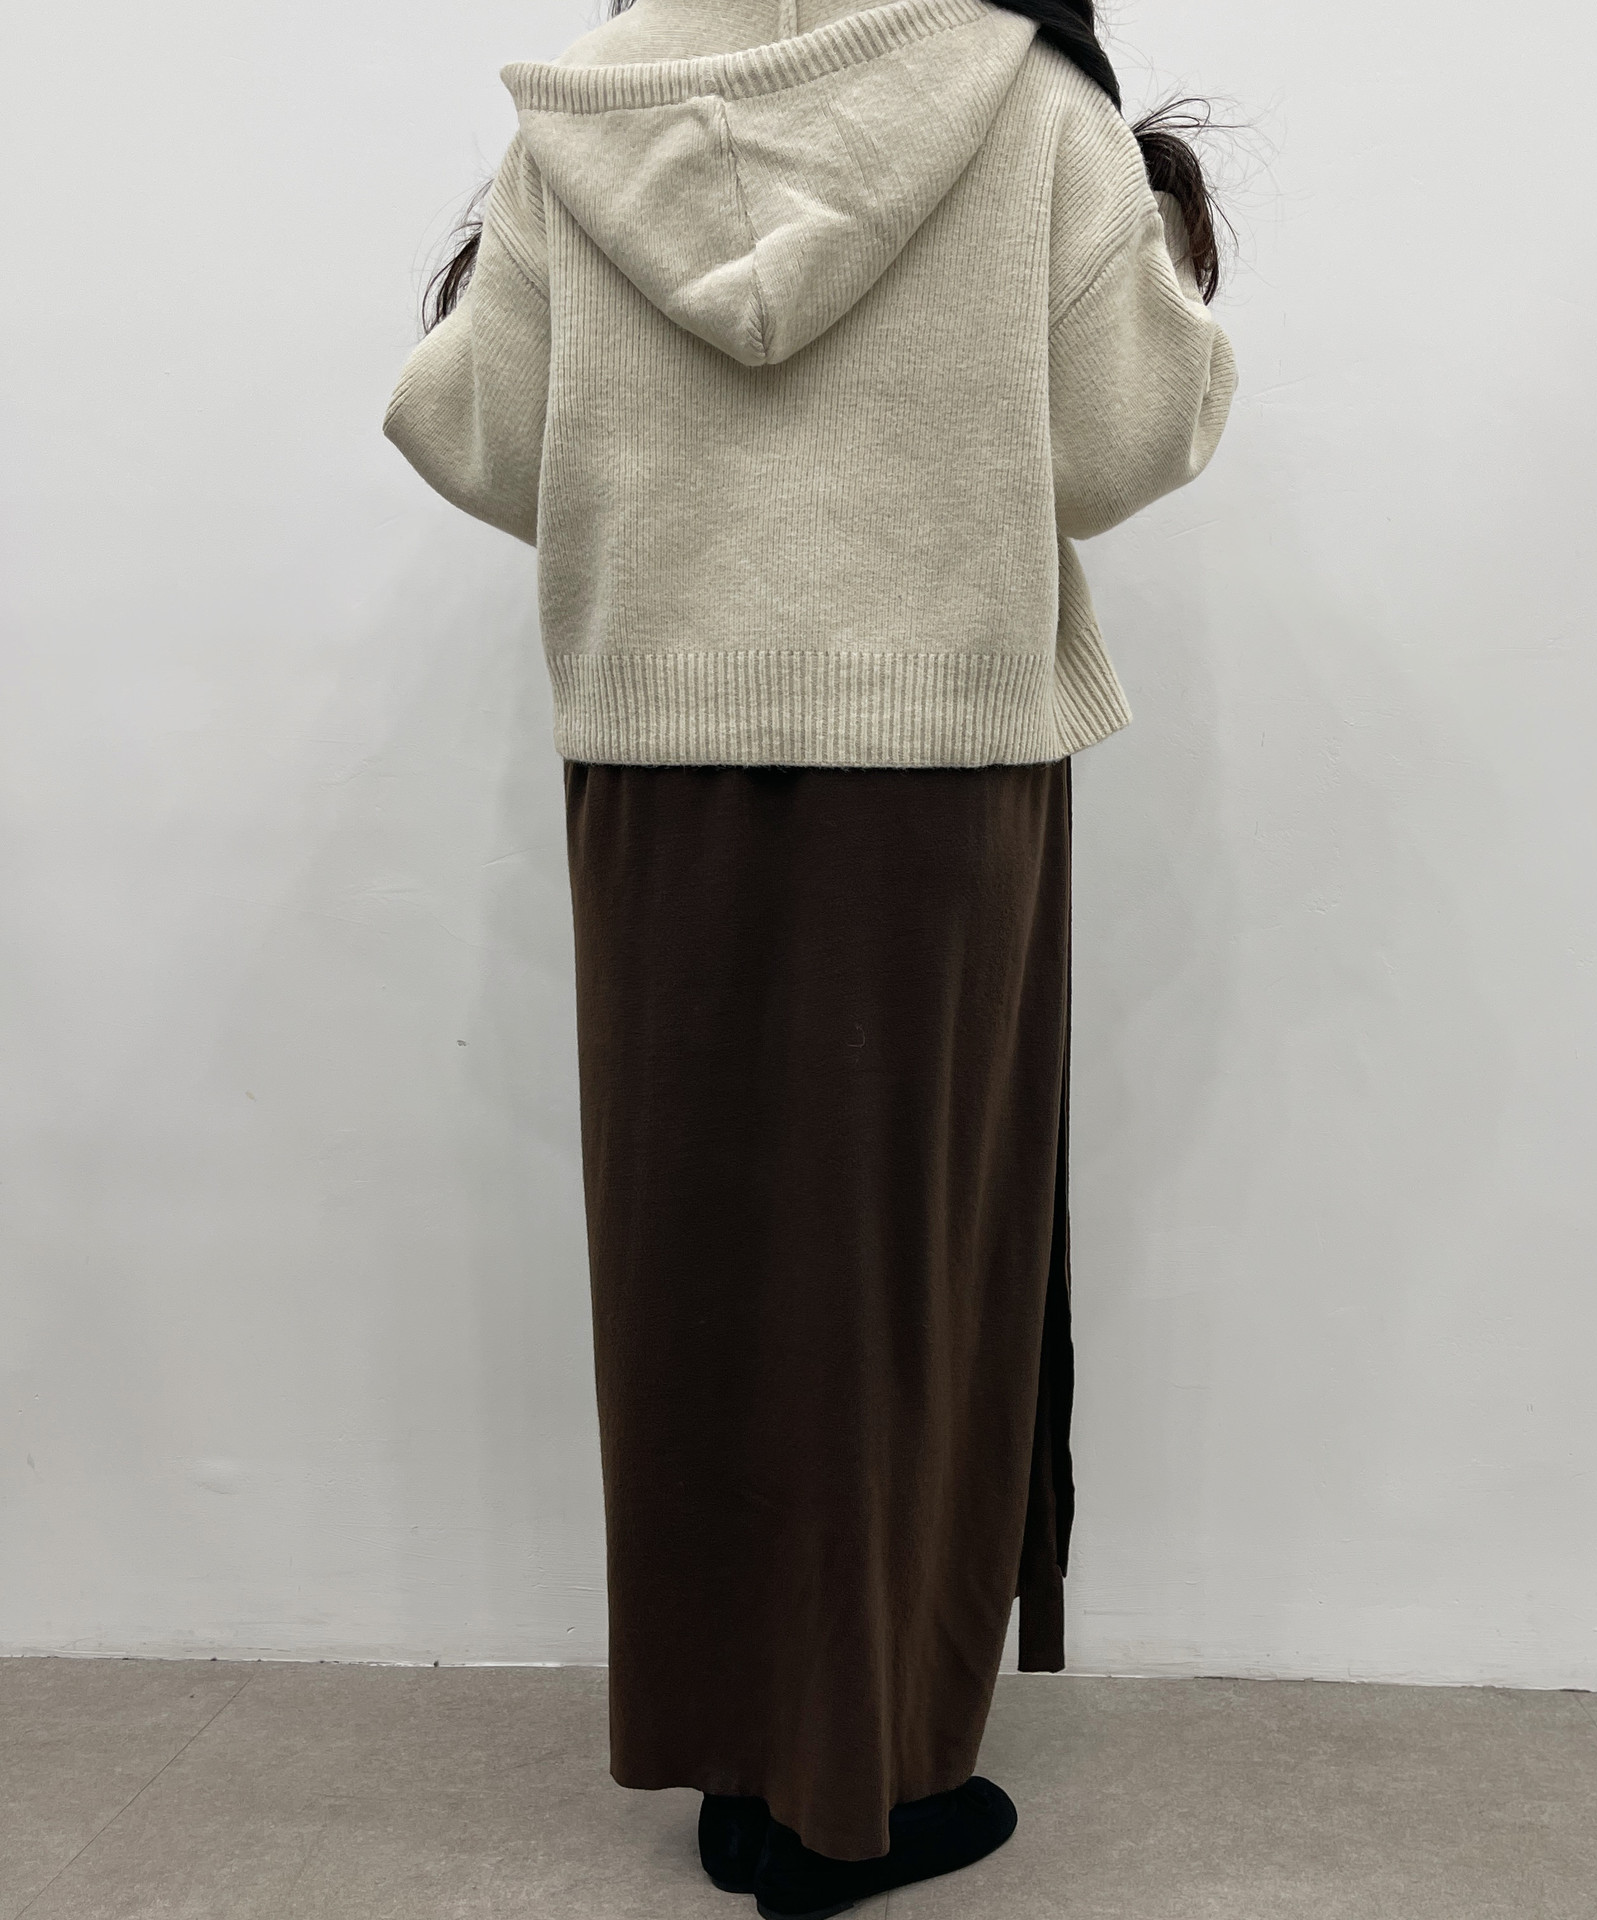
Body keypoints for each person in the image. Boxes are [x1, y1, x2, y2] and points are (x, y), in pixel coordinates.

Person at [382, 0, 1234, 1912]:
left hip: (656, 771)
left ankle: (745, 1763)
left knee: (696, 1276)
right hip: (939, 782)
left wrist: (666, 452)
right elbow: (1126, 437)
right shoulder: (1020, 98)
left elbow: (476, 431)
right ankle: (867, 1789)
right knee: (909, 1273)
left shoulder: (586, 117)